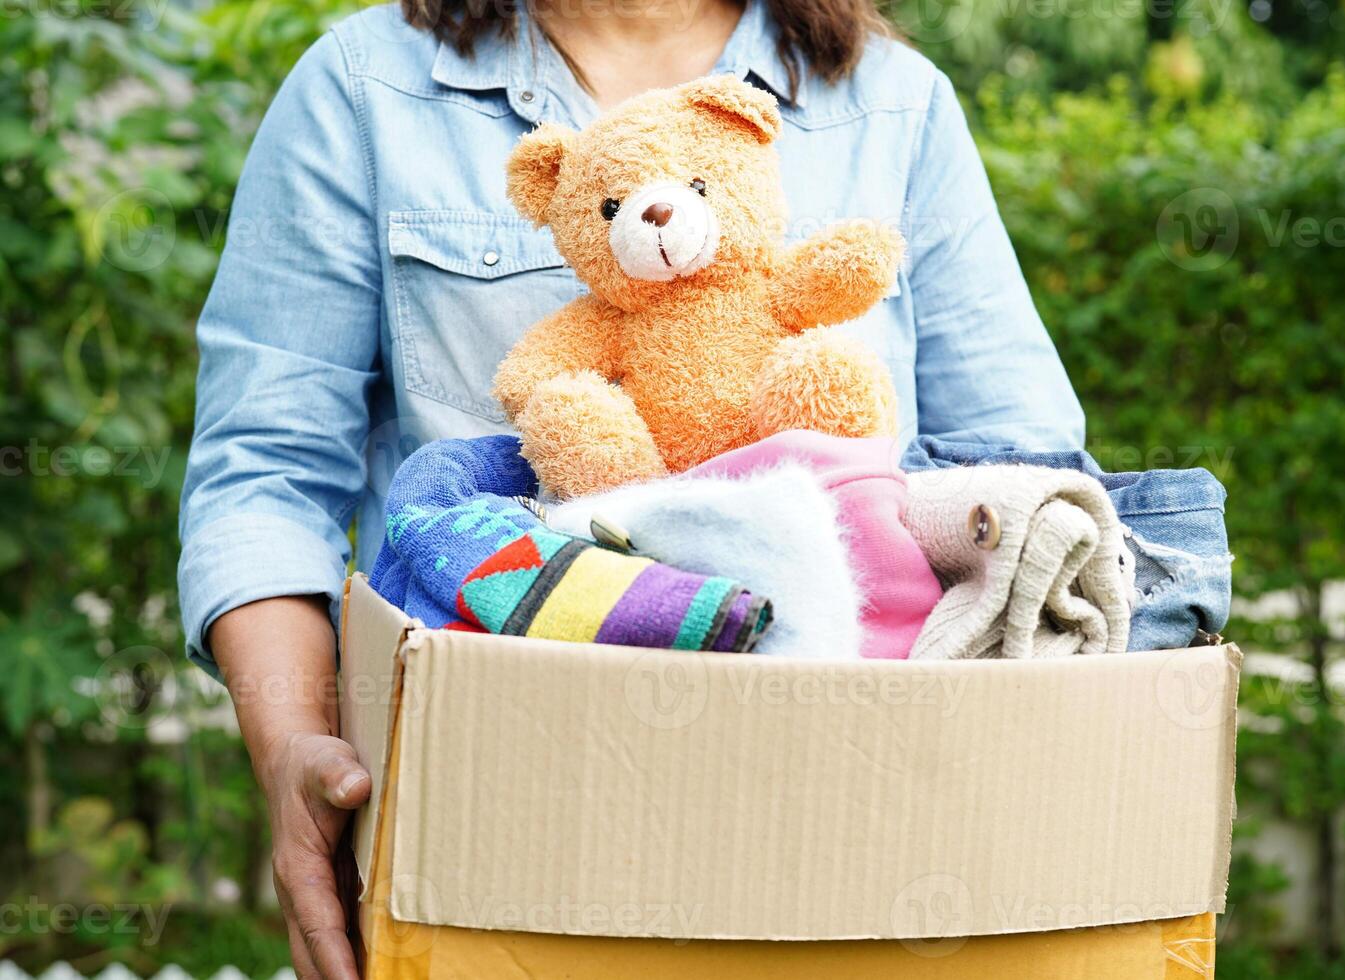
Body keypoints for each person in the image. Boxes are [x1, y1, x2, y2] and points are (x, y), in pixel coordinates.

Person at [178, 0, 1084, 975]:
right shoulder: (365, 87)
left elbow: (1022, 478)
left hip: (851, 829)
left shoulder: (894, 106)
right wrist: (291, 753)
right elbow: (266, 473)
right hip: (504, 821)